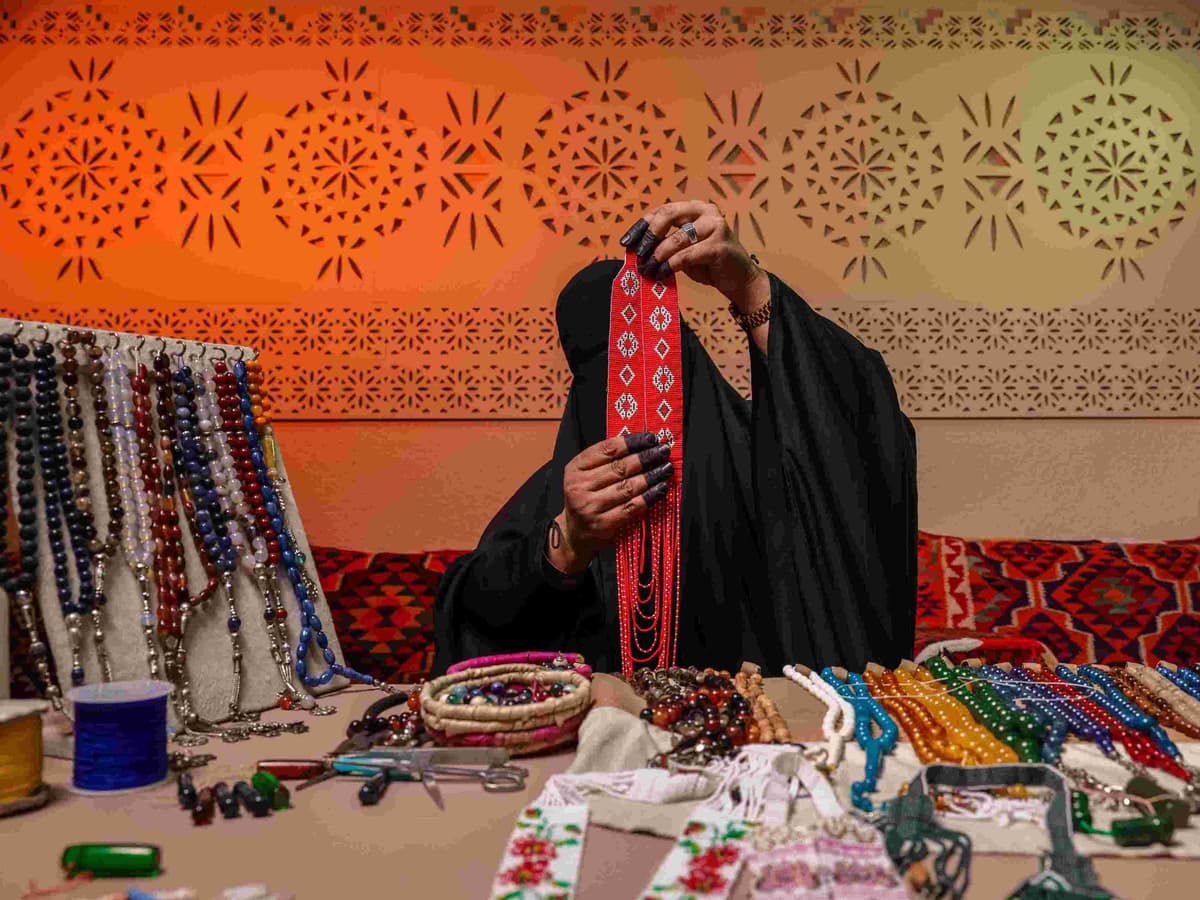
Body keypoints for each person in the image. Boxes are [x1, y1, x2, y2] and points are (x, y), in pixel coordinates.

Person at [433, 200, 917, 675]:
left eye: (653, 358)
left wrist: (749, 286)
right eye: (606, 366)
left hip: (771, 715)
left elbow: (858, 436)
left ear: (685, 350)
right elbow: (471, 608)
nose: (633, 394)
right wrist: (568, 545)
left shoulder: (767, 461)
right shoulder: (568, 492)